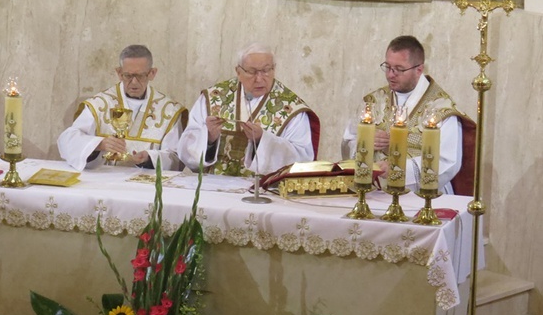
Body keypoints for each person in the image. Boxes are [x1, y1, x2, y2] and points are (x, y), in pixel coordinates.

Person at [342, 35, 475, 194]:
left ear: (419, 70)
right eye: (388, 67)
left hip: (421, 197)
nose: (390, 74)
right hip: (373, 192)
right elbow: (348, 142)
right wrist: (364, 142)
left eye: (399, 69)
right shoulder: (373, 102)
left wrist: (400, 170)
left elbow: (448, 162)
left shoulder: (441, 109)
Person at [178, 42, 320, 176]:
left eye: (266, 70)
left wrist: (262, 140)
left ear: (274, 69)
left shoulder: (291, 109)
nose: (259, 78)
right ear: (238, 71)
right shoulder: (213, 98)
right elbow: (185, 152)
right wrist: (208, 138)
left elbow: (302, 159)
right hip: (215, 190)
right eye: (252, 72)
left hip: (265, 193)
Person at [58, 45, 187, 171]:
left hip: (146, 187)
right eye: (128, 76)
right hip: (104, 184)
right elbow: (67, 141)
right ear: (119, 73)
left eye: (140, 76)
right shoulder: (100, 104)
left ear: (152, 73)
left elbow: (176, 158)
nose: (134, 82)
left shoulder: (169, 110)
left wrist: (149, 158)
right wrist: (98, 144)